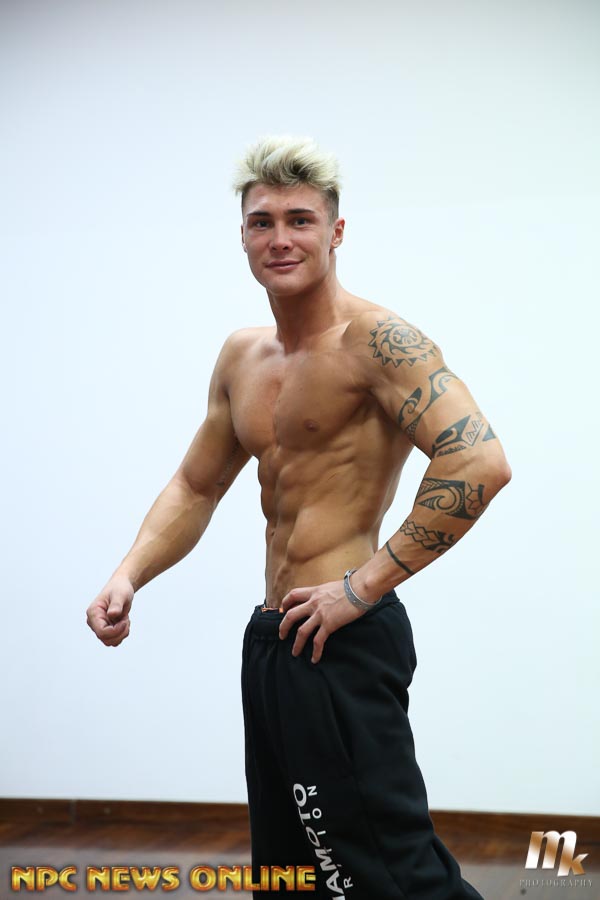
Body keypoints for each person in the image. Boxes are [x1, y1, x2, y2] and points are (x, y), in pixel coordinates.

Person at [87, 135, 511, 899]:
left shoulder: (379, 342)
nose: (279, 238)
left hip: (342, 636)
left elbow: (478, 461)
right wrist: (129, 573)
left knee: (387, 871)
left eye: (300, 220)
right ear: (243, 236)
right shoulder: (242, 356)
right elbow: (196, 484)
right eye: (262, 222)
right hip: (274, 637)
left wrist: (363, 587)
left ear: (335, 232)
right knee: (289, 873)